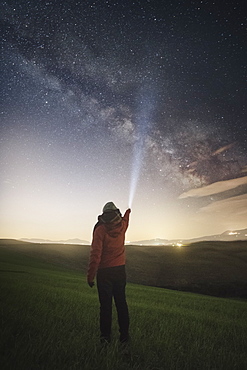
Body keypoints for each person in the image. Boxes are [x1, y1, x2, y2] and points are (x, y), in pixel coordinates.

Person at [87, 202, 131, 344]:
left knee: (105, 307)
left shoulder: (100, 230)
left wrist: (91, 275)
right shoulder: (122, 226)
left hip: (104, 273)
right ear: (116, 212)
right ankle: (124, 337)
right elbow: (126, 220)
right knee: (121, 304)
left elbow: (96, 254)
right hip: (120, 271)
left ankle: (105, 339)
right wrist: (127, 213)